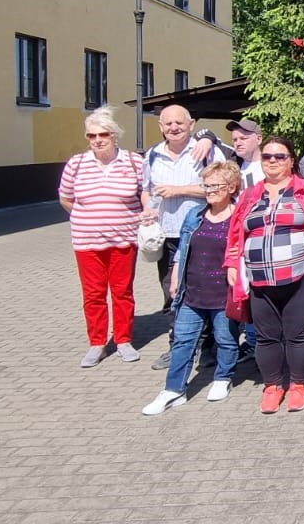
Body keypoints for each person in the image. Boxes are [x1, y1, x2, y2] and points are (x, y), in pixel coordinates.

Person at [227, 136, 304, 414]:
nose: (273, 161)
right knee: (266, 336)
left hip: (298, 275)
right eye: (267, 157)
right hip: (259, 278)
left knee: (298, 333)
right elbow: (236, 232)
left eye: (280, 156)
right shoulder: (250, 195)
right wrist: (231, 263)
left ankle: (299, 385)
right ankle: (272, 386)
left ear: (291, 161)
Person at [143, 161, 243, 415]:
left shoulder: (240, 217)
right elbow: (181, 252)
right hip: (193, 291)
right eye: (206, 185)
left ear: (231, 187)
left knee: (226, 339)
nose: (209, 190)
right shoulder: (195, 215)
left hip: (224, 292)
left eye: (215, 185)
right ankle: (174, 390)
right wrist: (176, 279)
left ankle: (223, 377)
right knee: (183, 341)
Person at [58, 107, 153, 367]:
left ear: (114, 136)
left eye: (103, 134)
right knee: (93, 294)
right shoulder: (77, 164)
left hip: (123, 240)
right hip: (86, 241)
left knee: (122, 292)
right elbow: (66, 198)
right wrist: (88, 218)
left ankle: (123, 340)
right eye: (91, 136)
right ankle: (97, 343)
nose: (98, 140)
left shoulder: (134, 162)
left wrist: (147, 209)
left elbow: (145, 191)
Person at [146, 105, 224, 370]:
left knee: (209, 291)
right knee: (172, 291)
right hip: (168, 234)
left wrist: (179, 190)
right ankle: (177, 346)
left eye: (179, 122)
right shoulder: (152, 155)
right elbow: (146, 190)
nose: (174, 127)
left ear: (191, 124)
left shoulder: (207, 151)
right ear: (160, 126)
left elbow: (223, 187)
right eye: (168, 124)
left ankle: (209, 347)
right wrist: (148, 209)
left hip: (204, 233)